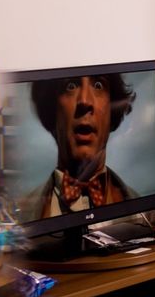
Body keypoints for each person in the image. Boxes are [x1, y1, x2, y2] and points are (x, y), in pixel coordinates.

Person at [20, 73, 137, 221]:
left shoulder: (148, 215)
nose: (84, 101)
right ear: (51, 110)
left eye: (98, 85)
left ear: (112, 110)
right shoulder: (19, 216)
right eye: (70, 86)